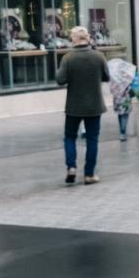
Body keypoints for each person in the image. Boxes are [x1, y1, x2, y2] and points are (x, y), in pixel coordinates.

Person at [55, 26, 109, 185]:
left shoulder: (68, 58)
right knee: (92, 139)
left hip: (74, 106)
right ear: (87, 38)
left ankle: (71, 167)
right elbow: (106, 77)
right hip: (94, 105)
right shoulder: (98, 56)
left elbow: (60, 80)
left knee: (70, 137)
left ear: (74, 39)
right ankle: (89, 174)